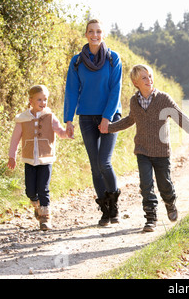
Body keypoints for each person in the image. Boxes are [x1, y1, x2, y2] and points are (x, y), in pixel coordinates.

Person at [102, 64, 189, 232]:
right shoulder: (134, 101)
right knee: (146, 185)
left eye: (150, 76)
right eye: (144, 78)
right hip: (142, 150)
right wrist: (109, 127)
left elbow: (179, 116)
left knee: (164, 184)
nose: (149, 80)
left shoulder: (163, 99)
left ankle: (170, 203)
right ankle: (150, 217)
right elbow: (129, 120)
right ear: (135, 82)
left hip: (161, 151)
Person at [63, 19, 123, 226]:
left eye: (98, 31)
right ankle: (105, 210)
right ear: (86, 34)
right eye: (91, 31)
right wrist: (68, 119)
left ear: (103, 34)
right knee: (94, 166)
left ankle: (114, 205)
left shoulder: (113, 59)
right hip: (87, 116)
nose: (94, 35)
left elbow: (116, 89)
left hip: (110, 116)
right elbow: (71, 89)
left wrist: (107, 117)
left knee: (104, 162)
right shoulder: (77, 61)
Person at [8, 85, 71, 230]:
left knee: (43, 188)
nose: (43, 103)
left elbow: (60, 132)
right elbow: (15, 139)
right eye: (39, 99)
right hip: (29, 159)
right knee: (30, 191)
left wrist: (67, 133)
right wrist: (12, 156)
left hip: (46, 159)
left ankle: (45, 218)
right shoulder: (22, 119)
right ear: (30, 101)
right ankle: (36, 205)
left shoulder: (50, 116)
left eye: (45, 100)